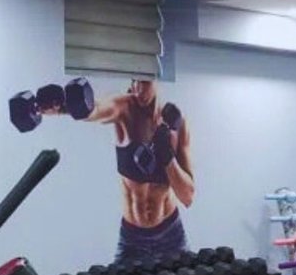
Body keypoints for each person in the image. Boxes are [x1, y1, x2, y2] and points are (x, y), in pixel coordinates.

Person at [45, 78, 196, 263]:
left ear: (157, 79)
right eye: (134, 81)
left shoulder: (177, 126)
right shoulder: (125, 109)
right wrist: (62, 108)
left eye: (143, 82)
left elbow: (187, 197)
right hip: (133, 239)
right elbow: (96, 110)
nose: (137, 89)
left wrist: (167, 157)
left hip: (171, 234)